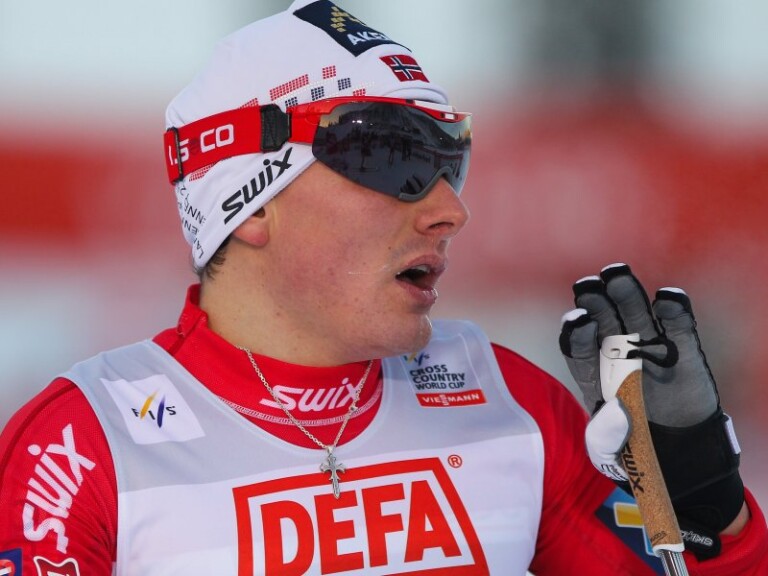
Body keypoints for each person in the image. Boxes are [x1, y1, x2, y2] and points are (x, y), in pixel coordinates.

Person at [1, 1, 766, 574]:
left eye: (450, 162)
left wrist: (706, 507)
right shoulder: (83, 451)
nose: (450, 210)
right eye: (393, 158)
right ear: (252, 202)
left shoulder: (511, 405)